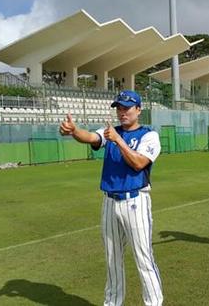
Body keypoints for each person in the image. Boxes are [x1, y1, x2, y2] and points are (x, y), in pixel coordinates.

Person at [59, 90, 163, 306]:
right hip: (109, 201)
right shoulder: (110, 132)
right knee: (112, 259)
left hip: (136, 201)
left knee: (143, 257)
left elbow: (138, 163)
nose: (122, 112)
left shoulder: (148, 135)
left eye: (126, 107)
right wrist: (74, 130)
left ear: (138, 109)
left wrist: (117, 140)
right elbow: (91, 137)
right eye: (119, 107)